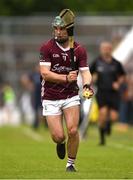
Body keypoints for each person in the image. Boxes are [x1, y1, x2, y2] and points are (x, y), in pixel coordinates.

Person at [39, 10, 93, 172]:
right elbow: (45, 74)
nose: (57, 31)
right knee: (58, 136)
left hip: (70, 95)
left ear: (68, 30)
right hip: (50, 96)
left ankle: (71, 164)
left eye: (61, 29)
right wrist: (66, 78)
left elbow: (85, 71)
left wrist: (87, 85)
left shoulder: (79, 50)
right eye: (55, 28)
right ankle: (60, 143)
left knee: (73, 130)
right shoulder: (47, 47)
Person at [90, 41, 126, 145]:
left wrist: (118, 83)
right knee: (102, 114)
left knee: (114, 117)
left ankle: (108, 124)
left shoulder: (116, 63)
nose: (105, 50)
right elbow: (89, 73)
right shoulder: (97, 62)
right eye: (103, 48)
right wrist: (91, 80)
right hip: (102, 92)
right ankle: (102, 140)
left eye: (107, 48)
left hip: (114, 93)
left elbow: (122, 75)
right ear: (101, 49)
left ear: (110, 49)